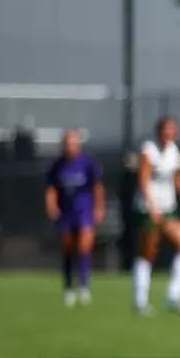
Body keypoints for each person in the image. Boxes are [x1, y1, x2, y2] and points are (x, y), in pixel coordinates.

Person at [131, 115, 180, 315]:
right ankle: (140, 301)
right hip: (148, 209)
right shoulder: (148, 150)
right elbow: (143, 180)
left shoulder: (172, 150)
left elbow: (175, 176)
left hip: (168, 208)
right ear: (158, 131)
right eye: (165, 130)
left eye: (172, 130)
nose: (169, 133)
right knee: (148, 253)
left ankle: (173, 296)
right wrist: (151, 207)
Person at [43, 128, 103, 306]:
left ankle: (84, 287)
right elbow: (51, 188)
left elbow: (97, 186)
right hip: (66, 212)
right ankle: (69, 288)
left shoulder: (87, 162)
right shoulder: (57, 165)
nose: (70, 146)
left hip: (84, 210)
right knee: (68, 248)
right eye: (67, 143)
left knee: (84, 247)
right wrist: (51, 205)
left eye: (73, 143)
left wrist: (99, 207)